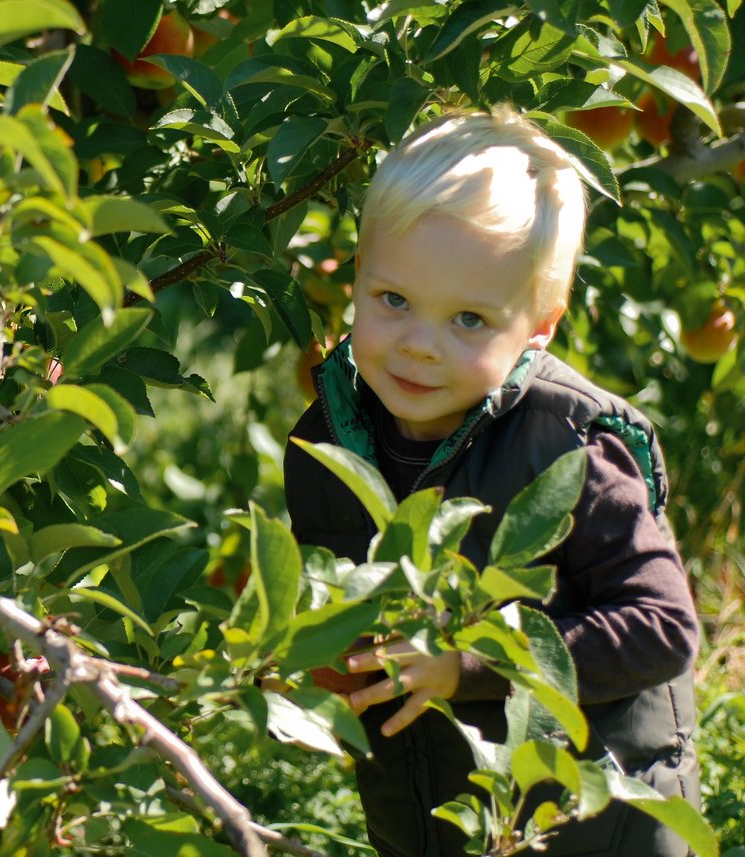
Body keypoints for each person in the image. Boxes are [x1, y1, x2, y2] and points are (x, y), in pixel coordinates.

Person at [283, 106, 701, 857]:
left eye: (469, 319)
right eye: (394, 300)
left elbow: (663, 628)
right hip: (427, 813)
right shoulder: (325, 441)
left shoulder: (567, 448)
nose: (419, 344)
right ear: (354, 278)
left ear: (539, 328)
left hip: (592, 826)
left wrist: (470, 665)